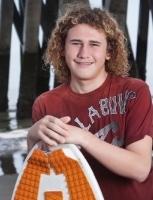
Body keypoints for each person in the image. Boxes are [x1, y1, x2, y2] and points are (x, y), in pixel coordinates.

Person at [27, 2, 153, 199]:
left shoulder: (135, 92)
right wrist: (32, 137)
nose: (83, 53)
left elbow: (140, 169)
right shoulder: (46, 104)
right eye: (76, 43)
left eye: (94, 44)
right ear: (62, 49)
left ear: (109, 52)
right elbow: (42, 178)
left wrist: (83, 137)